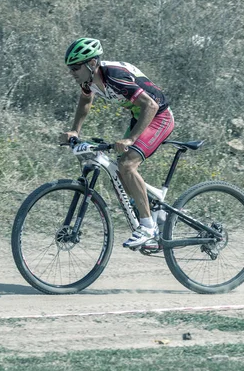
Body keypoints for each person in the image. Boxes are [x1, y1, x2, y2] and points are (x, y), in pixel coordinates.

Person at [59, 37, 175, 248]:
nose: (72, 73)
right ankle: (153, 208)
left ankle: (148, 227)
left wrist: (130, 139)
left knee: (127, 165)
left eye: (75, 67)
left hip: (158, 116)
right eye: (70, 68)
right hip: (140, 116)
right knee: (120, 171)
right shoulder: (88, 80)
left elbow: (150, 106)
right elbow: (86, 101)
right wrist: (75, 130)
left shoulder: (114, 76)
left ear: (92, 63)